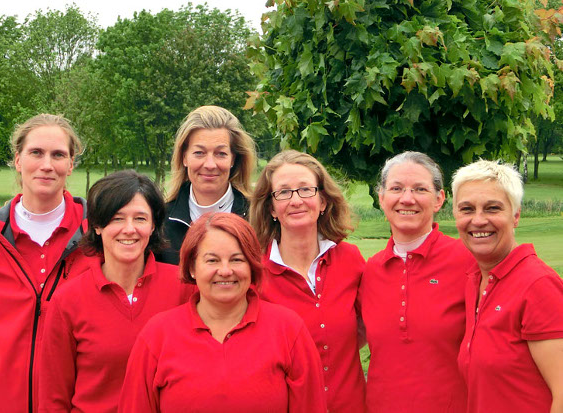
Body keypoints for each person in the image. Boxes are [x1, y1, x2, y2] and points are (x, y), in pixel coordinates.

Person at [118, 212, 326, 412]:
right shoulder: (157, 336)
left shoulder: (288, 330)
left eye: (237, 259)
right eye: (212, 260)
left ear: (252, 266)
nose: (225, 270)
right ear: (192, 267)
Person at [0, 114, 86, 412]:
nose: (47, 164)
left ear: (71, 163)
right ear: (18, 160)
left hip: (73, 403)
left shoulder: (94, 237)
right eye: (36, 152)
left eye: (58, 155)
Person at [39, 170, 191, 412]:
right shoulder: (68, 300)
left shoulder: (183, 289)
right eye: (117, 218)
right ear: (97, 226)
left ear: (153, 226)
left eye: (140, 218)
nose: (129, 229)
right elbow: (53, 396)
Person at [249, 150, 366, 413]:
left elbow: (366, 329)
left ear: (323, 202)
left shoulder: (350, 260)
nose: (296, 200)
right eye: (284, 192)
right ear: (271, 208)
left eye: (305, 190)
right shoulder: (254, 273)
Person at [358, 151, 474, 413]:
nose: (407, 198)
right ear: (382, 197)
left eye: (420, 189)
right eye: (396, 188)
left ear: (439, 199)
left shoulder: (469, 262)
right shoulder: (370, 270)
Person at [452, 159, 563, 413]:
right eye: (467, 209)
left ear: (515, 215)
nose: (478, 220)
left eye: (492, 208)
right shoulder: (475, 280)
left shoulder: (538, 285)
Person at [156, 105, 257, 264]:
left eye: (220, 154)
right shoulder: (160, 220)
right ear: (184, 158)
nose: (210, 164)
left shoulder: (257, 216)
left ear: (233, 159)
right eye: (199, 153)